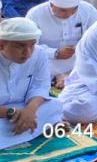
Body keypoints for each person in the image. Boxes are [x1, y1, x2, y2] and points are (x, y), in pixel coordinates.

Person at [0, 18, 63, 150]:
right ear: (2, 45)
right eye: (20, 46)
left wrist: (30, 110)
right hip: (5, 112)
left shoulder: (39, 54)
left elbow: (41, 85)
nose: (27, 53)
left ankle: (26, 127)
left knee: (56, 105)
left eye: (32, 45)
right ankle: (40, 127)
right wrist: (11, 113)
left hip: (24, 106)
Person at [25, 0, 97, 85]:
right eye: (63, 10)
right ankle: (62, 77)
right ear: (51, 5)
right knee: (29, 64)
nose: (69, 14)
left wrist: (79, 48)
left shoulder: (88, 9)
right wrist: (55, 53)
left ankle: (66, 77)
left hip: (77, 58)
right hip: (47, 59)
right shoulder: (35, 14)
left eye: (74, 10)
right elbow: (28, 46)